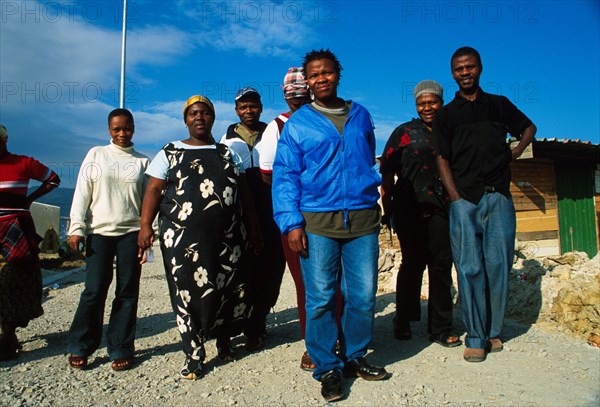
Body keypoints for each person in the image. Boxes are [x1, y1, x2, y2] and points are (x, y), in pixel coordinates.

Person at [272, 49, 388, 403]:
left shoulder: (361, 115)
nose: (321, 79)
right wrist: (291, 223)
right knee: (321, 296)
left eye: (327, 72)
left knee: (363, 295)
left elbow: (368, 158)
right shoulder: (299, 123)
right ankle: (327, 367)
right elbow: (285, 175)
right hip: (318, 221)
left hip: (363, 219)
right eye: (314, 75)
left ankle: (354, 357)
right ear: (307, 82)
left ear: (338, 74)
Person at [138, 95, 260, 380]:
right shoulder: (170, 151)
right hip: (181, 240)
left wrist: (254, 229)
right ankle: (194, 353)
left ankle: (224, 341)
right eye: (194, 113)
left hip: (229, 236)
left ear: (213, 118)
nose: (199, 117)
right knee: (187, 293)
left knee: (228, 287)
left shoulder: (228, 153)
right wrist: (145, 226)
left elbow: (245, 195)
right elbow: (154, 191)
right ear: (185, 119)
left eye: (205, 113)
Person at [432, 47, 536, 362]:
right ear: (453, 73)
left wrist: (514, 153)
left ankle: (493, 331)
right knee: (469, 266)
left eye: (470, 67)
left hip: (499, 197)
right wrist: (455, 197)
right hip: (465, 200)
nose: (465, 73)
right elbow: (442, 157)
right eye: (459, 69)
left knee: (498, 265)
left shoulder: (500, 105)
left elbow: (529, 127)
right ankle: (475, 336)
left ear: (480, 68)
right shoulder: (446, 115)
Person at [257, 67, 342, 371]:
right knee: (308, 283)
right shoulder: (276, 128)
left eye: (300, 90)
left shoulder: (326, 117)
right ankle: (315, 344)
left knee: (336, 280)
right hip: (296, 216)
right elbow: (269, 175)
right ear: (285, 95)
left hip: (331, 212)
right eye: (291, 92)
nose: (296, 96)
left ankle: (339, 336)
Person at [380, 80, 461, 348]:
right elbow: (387, 170)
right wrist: (387, 204)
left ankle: (440, 326)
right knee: (413, 264)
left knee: (441, 264)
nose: (427, 107)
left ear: (441, 102)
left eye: (432, 102)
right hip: (409, 207)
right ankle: (403, 319)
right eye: (421, 103)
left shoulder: (450, 131)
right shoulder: (404, 133)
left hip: (443, 208)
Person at [66, 109, 149, 371]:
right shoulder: (96, 155)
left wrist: (149, 237)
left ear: (134, 128)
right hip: (99, 232)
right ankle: (81, 345)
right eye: (117, 129)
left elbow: (149, 204)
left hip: (130, 234)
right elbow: (82, 192)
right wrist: (76, 228)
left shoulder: (143, 162)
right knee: (94, 290)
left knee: (126, 292)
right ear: (109, 130)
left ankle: (121, 347)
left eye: (127, 128)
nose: (122, 134)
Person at [220, 87, 286, 351]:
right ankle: (246, 325)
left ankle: (260, 318)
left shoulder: (272, 132)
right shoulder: (227, 138)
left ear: (260, 107)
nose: (248, 111)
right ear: (237, 110)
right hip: (241, 212)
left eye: (253, 106)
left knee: (272, 267)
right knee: (243, 270)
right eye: (243, 107)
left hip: (272, 209)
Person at [0, 124, 61, 361]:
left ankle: (8, 333)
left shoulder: (23, 163)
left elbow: (52, 179)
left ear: (4, 140)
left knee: (12, 281)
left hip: (16, 227)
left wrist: (29, 199)